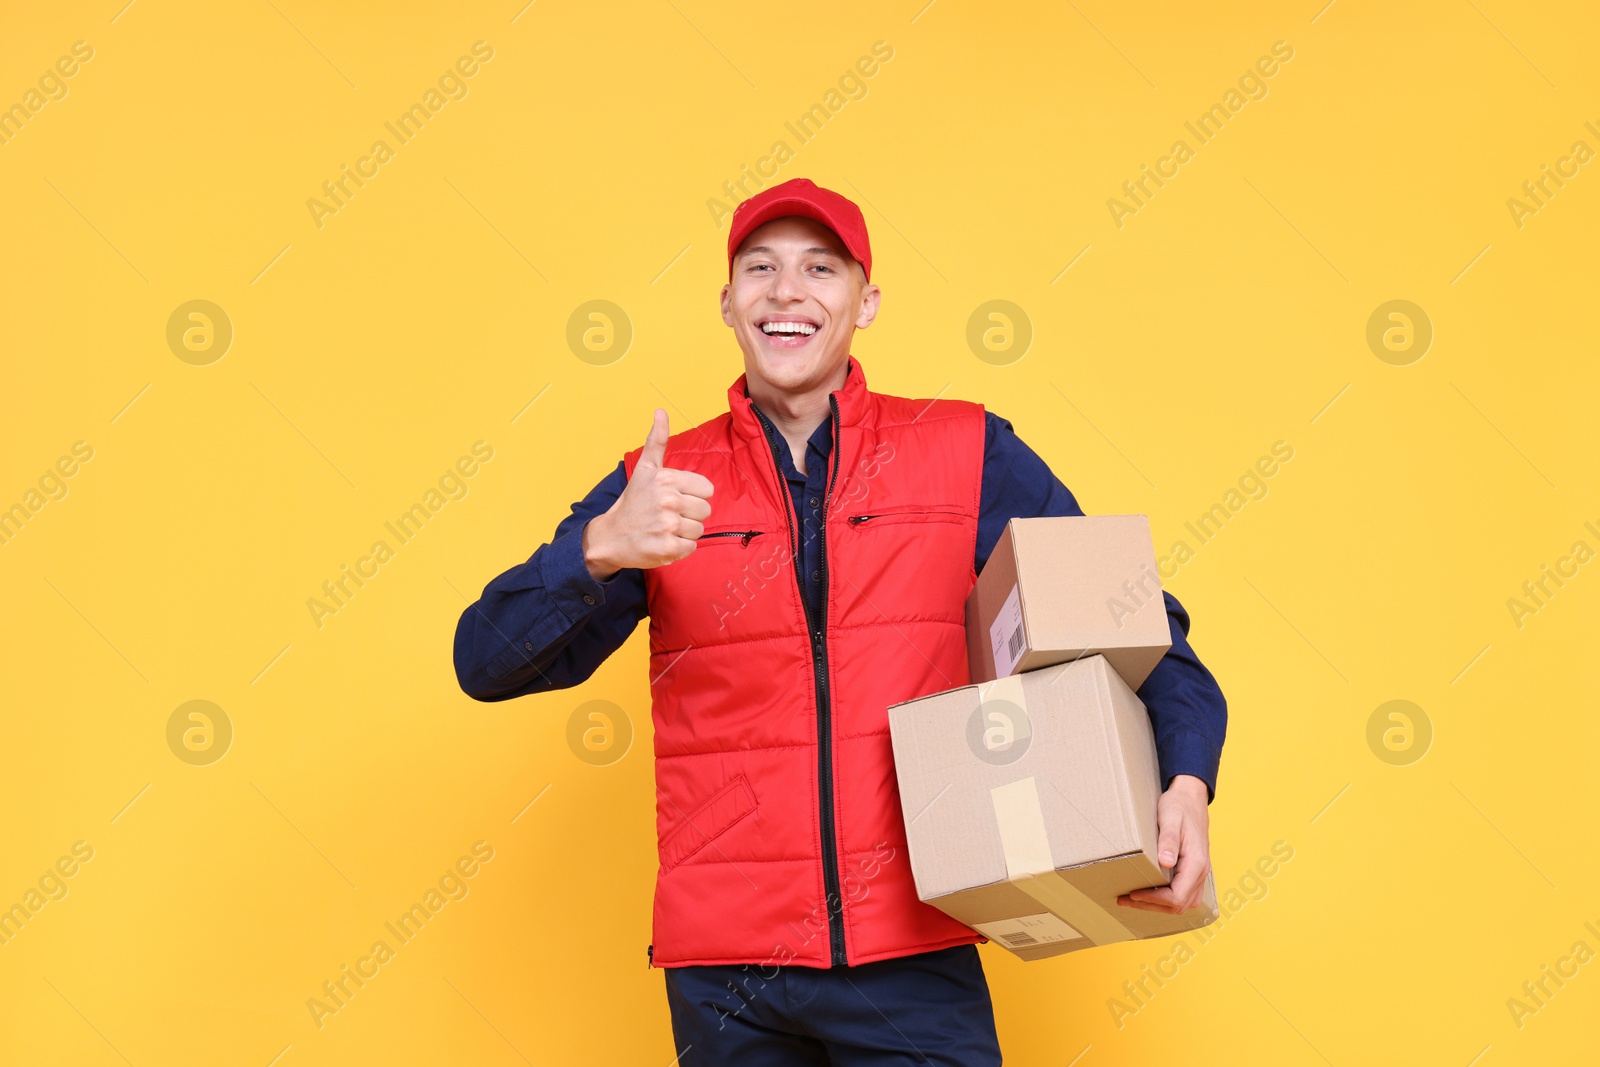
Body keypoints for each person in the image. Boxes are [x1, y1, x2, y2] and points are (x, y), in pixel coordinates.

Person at [453, 177, 1227, 1065]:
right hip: (726, 974)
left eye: (820, 268)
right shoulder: (662, 484)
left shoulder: (965, 452)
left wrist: (1190, 778)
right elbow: (485, 660)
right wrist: (595, 549)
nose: (787, 291)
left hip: (913, 944)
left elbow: (1130, 616)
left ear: (867, 302)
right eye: (761, 268)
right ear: (727, 302)